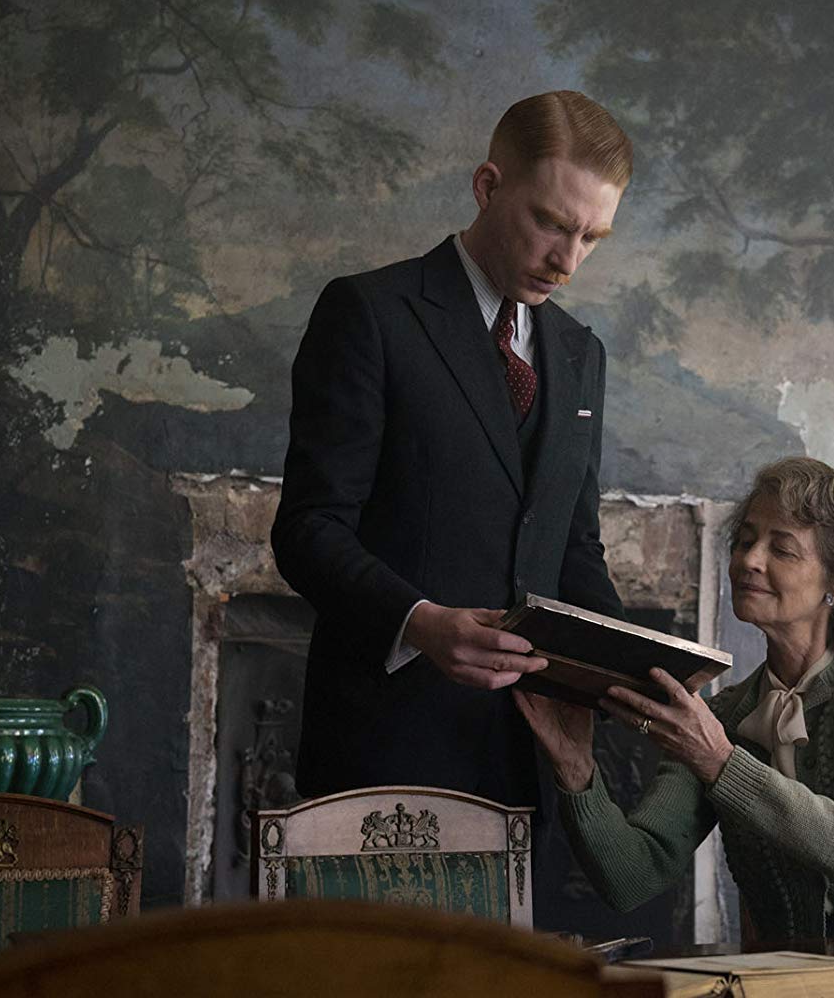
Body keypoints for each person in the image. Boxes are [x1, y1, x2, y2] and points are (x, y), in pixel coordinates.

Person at [270, 91, 631, 816]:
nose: (567, 261)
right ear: (488, 186)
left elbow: (573, 550)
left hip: (527, 766)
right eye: (552, 224)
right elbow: (308, 530)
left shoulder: (580, 354)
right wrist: (421, 622)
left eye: (592, 238)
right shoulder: (369, 313)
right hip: (383, 755)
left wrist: (639, 665)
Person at [517, 457, 834, 938]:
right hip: (806, 984)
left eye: (782, 549)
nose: (748, 560)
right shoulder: (720, 718)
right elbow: (632, 878)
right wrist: (576, 767)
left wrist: (720, 761)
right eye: (745, 541)